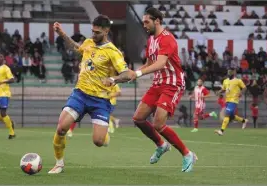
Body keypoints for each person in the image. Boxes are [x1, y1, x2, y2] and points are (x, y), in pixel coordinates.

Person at [104, 7, 197, 172]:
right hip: (158, 83)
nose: (144, 25)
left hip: (172, 83)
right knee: (138, 118)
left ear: (157, 21)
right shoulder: (151, 40)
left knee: (158, 124)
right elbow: (149, 63)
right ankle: (161, 145)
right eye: (143, 22)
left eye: (147, 21)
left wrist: (138, 72)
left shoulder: (167, 39)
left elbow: (160, 63)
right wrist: (118, 78)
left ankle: (187, 154)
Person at [48, 15, 132, 174]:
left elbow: (127, 74)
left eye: (97, 32)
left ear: (106, 31)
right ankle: (59, 164)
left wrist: (113, 79)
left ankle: (105, 135)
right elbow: (76, 47)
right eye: (92, 31)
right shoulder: (88, 42)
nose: (93, 35)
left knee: (98, 142)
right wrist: (61, 33)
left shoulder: (113, 52)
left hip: (100, 100)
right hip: (80, 94)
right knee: (61, 129)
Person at [215, 68, 248, 136]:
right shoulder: (225, 81)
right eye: (228, 72)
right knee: (232, 116)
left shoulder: (238, 81)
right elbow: (224, 89)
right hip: (227, 100)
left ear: (233, 73)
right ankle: (244, 121)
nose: (229, 73)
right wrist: (219, 92)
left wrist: (241, 93)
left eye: (230, 72)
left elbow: (244, 88)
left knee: (227, 114)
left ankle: (221, 131)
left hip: (234, 100)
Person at [0, 53, 16, 139]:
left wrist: (3, 82)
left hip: (4, 94)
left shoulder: (6, 68)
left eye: (0, 56)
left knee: (3, 113)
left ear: (3, 59)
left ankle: (11, 132)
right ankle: (9, 122)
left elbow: (12, 79)